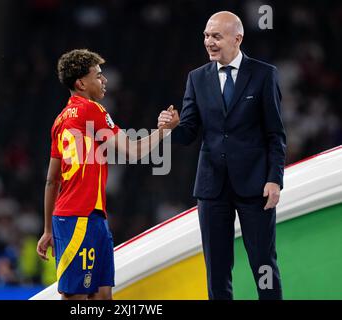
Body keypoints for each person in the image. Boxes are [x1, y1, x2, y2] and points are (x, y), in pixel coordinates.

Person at [158, 11, 286, 300]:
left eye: (216, 36)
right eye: (206, 35)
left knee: (263, 264)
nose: (209, 42)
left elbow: (275, 134)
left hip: (255, 186)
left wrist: (274, 179)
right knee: (216, 269)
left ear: (237, 38)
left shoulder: (265, 74)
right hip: (212, 188)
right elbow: (189, 132)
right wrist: (172, 127)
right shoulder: (197, 78)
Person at [36, 49, 178, 300]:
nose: (105, 81)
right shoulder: (93, 110)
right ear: (81, 83)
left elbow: (51, 179)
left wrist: (48, 229)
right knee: (78, 299)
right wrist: (164, 131)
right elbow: (133, 152)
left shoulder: (59, 121)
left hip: (87, 217)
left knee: (101, 296)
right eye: (98, 76)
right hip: (78, 217)